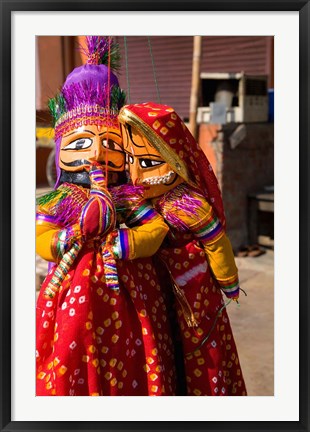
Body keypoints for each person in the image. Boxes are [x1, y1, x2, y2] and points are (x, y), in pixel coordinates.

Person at [36, 38, 177, 396]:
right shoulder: (61, 199)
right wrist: (66, 239)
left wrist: (130, 243)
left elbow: (157, 227)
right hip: (72, 296)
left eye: (113, 144)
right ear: (61, 147)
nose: (98, 152)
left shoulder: (129, 197)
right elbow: (41, 239)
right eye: (82, 144)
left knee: (134, 357)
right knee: (71, 356)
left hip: (131, 293)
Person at [118, 102, 247, 396]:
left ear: (174, 157)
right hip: (154, 289)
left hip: (192, 293)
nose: (136, 174)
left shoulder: (189, 205)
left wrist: (229, 283)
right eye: (129, 161)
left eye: (149, 163)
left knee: (197, 350)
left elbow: (216, 243)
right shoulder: (136, 200)